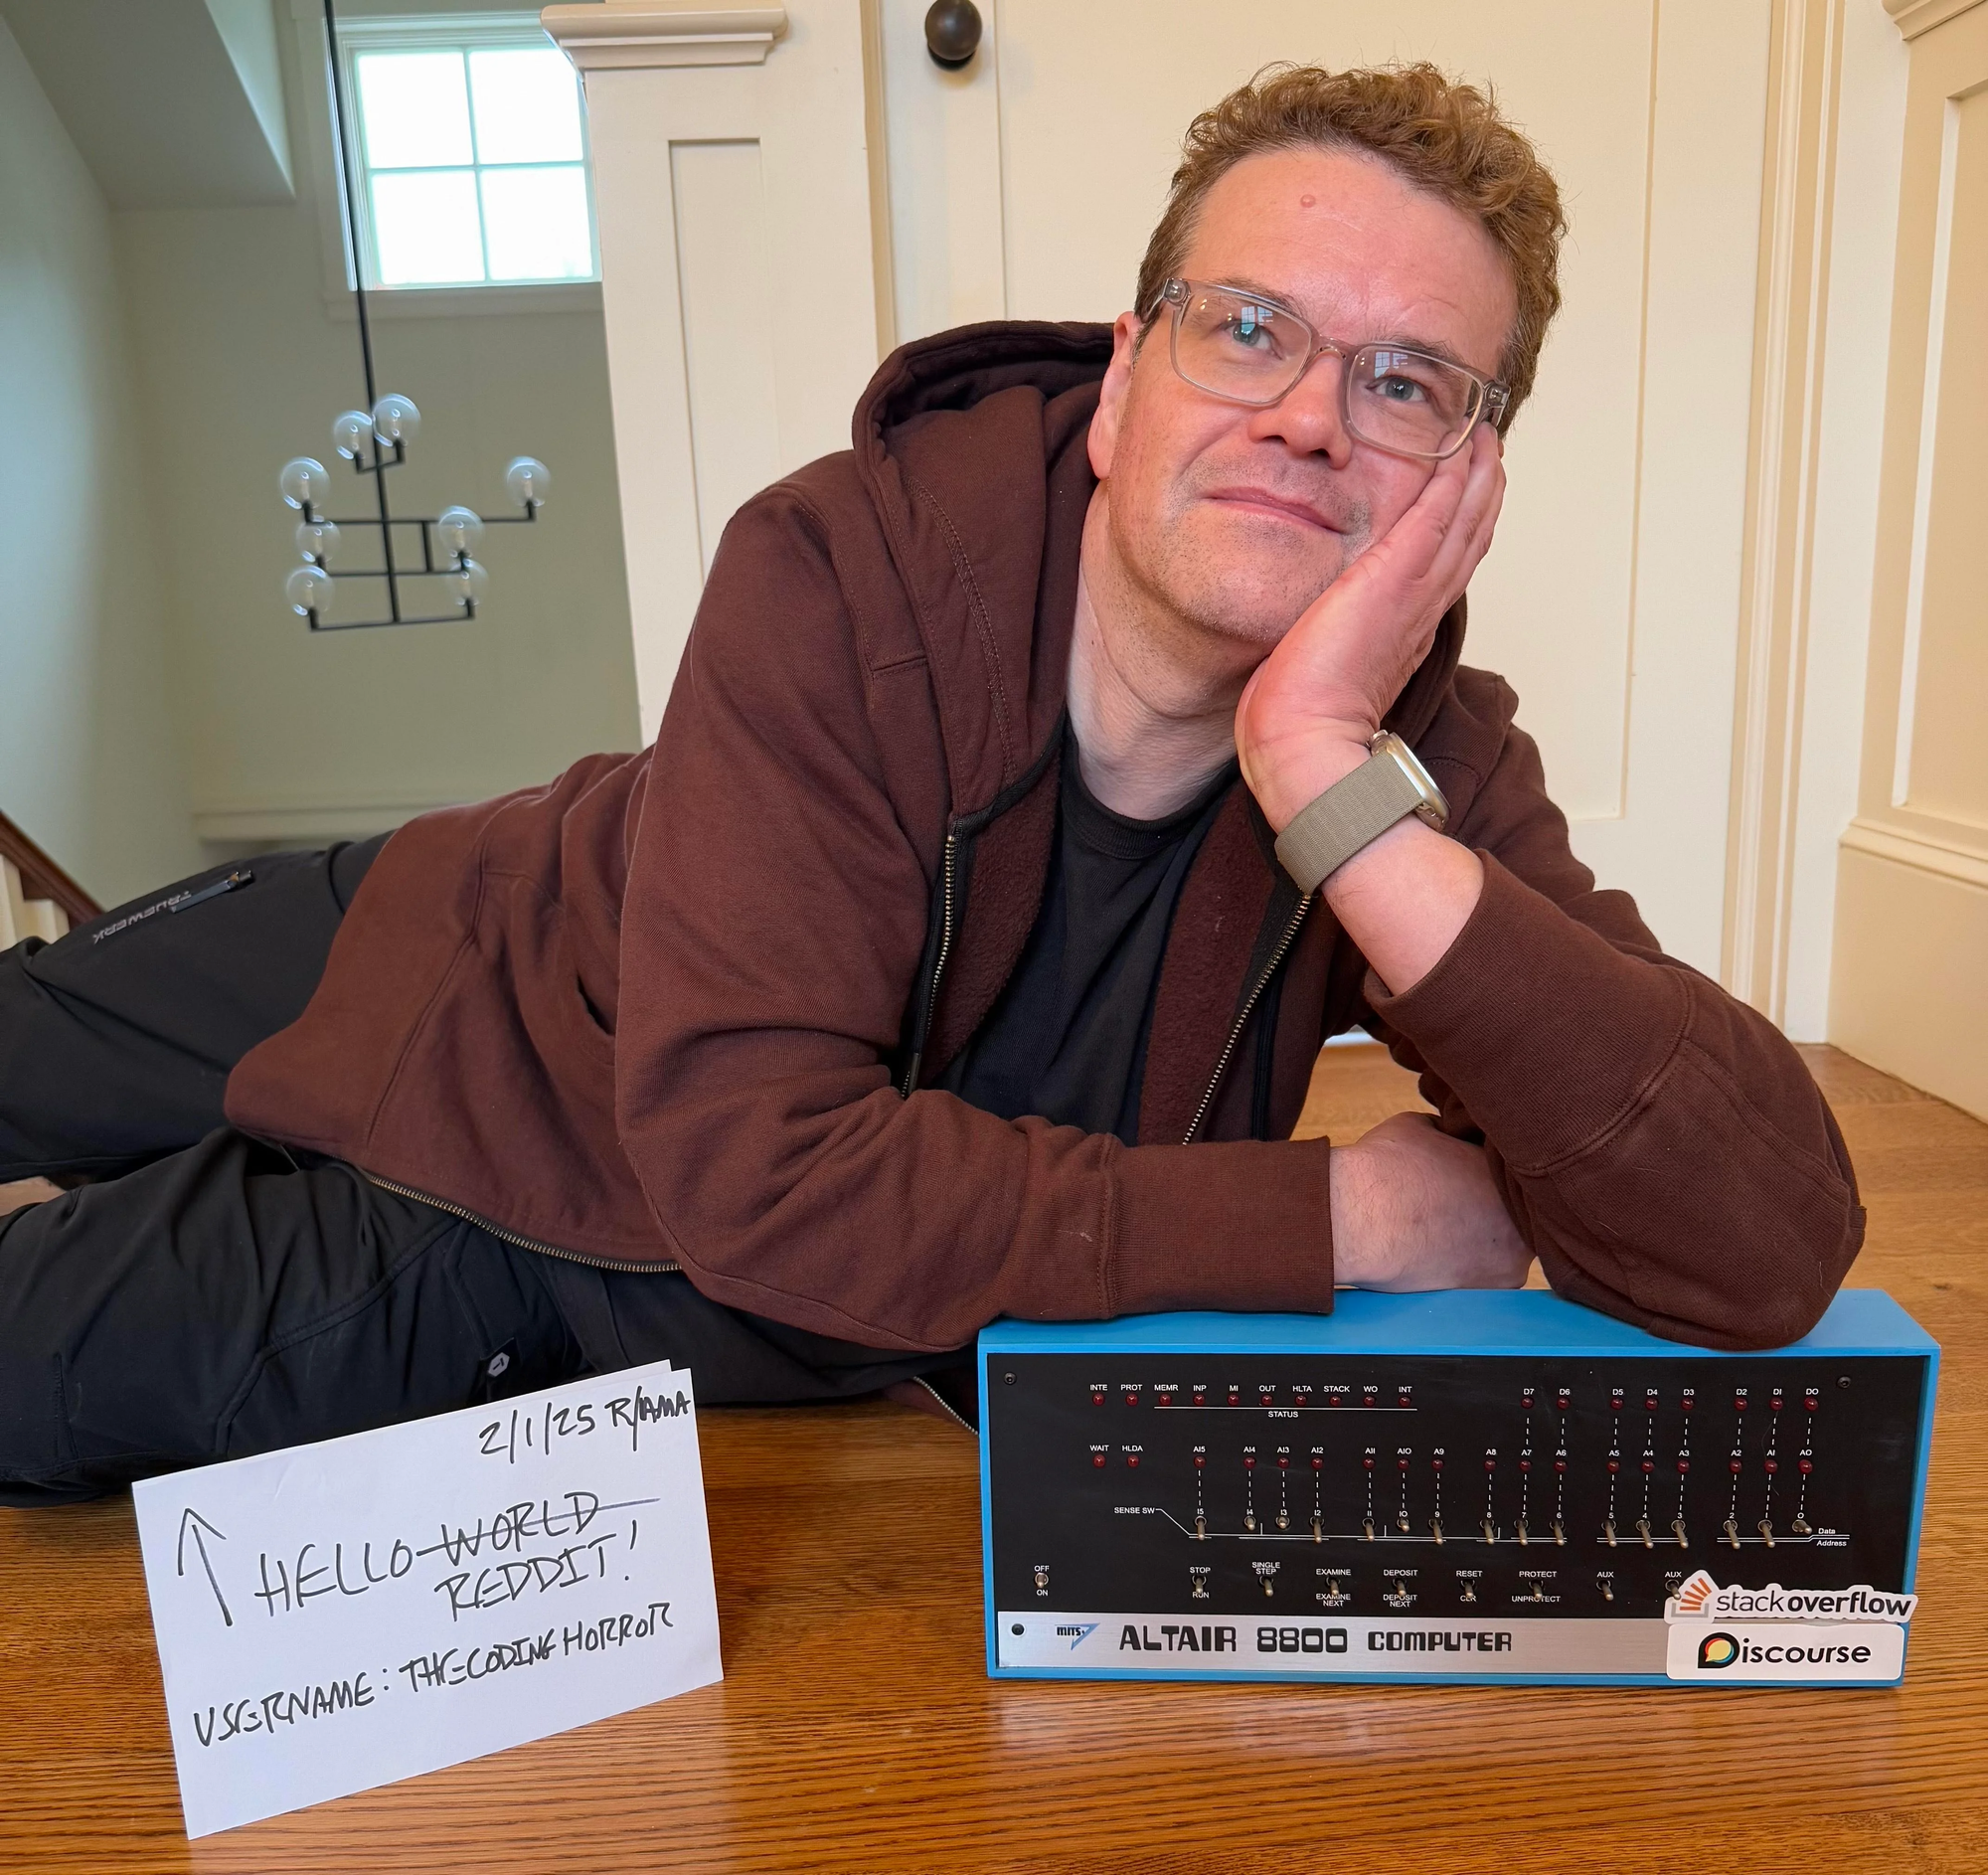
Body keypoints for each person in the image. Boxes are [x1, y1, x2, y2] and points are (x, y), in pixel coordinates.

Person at [0, 65, 1862, 1504]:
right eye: (1250, 328)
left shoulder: (1420, 752)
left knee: (31, 1375)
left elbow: (1766, 1245)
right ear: (1123, 384)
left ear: (1471, 481)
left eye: (1408, 385)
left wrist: (1323, 768)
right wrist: (1336, 1223)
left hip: (555, 1207)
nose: (1309, 415)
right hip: (452, 915)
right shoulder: (844, 564)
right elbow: (778, 1144)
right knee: (25, 1037)